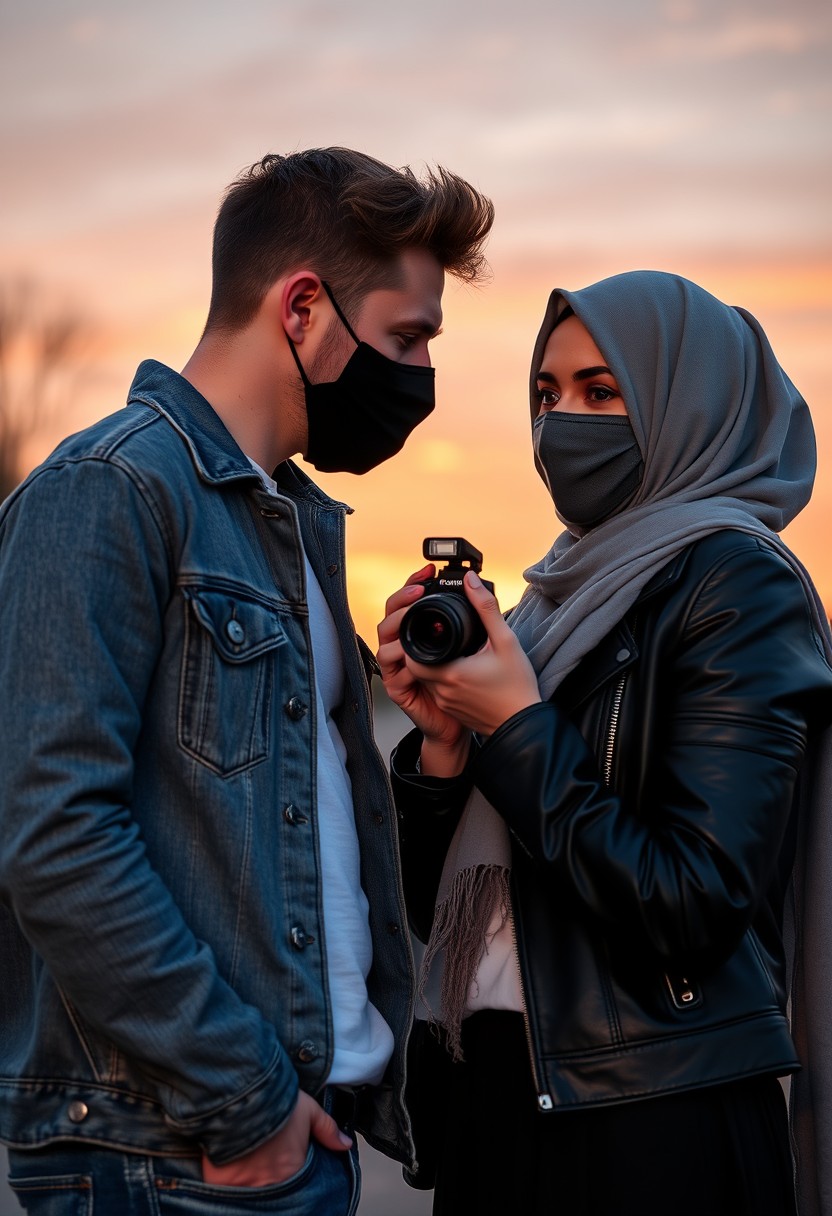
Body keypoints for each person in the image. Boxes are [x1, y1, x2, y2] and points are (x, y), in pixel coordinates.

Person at [0, 147, 494, 1215]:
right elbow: (52, 836)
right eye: (407, 338)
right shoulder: (108, 492)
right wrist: (247, 1101)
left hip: (282, 1141)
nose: (418, 379)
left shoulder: (290, 527)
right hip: (178, 1153)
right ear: (304, 308)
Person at [377, 270, 832, 1216]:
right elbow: (445, 915)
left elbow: (693, 901)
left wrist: (518, 728)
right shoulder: (555, 605)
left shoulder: (736, 585)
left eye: (601, 391)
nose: (562, 422)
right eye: (546, 394)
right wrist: (448, 751)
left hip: (649, 1116)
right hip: (499, 1091)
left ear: (686, 402)